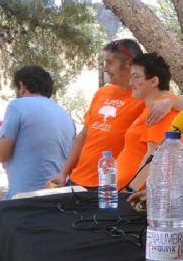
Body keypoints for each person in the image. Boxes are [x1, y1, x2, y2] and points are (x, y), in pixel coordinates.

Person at [50, 39, 145, 187]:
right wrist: (63, 173)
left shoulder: (145, 98)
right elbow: (83, 135)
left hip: (110, 187)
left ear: (128, 63)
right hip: (76, 180)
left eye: (109, 62)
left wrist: (169, 103)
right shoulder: (102, 92)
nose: (105, 68)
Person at [0, 66, 75, 199]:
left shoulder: (17, 106)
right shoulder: (64, 114)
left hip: (25, 200)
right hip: (58, 198)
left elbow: (0, 154)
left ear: (22, 86)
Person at [116, 53, 183, 192]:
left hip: (138, 199)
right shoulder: (153, 107)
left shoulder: (162, 108)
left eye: (136, 77)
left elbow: (155, 157)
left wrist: (130, 190)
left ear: (153, 81)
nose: (130, 83)